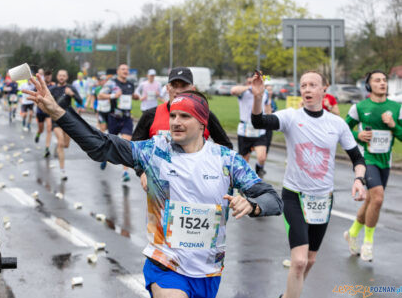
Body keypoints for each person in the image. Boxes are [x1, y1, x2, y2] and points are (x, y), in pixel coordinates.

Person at [24, 74, 283, 298]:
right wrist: (59, 112)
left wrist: (252, 204)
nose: (176, 122)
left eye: (185, 116)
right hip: (165, 263)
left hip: (208, 269)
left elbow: (273, 199)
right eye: (173, 115)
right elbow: (100, 144)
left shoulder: (225, 160)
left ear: (203, 123)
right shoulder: (155, 151)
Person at [250, 70, 367, 298]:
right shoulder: (291, 117)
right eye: (303, 85)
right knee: (300, 260)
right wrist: (257, 97)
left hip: (323, 200)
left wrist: (359, 180)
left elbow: (358, 158)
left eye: (313, 85)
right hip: (295, 196)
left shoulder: (337, 124)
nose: (307, 89)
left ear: (325, 89)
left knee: (310, 259)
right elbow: (258, 121)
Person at [133, 67, 233, 191]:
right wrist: (142, 172)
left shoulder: (205, 116)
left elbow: (226, 146)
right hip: (161, 188)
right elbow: (135, 149)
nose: (178, 91)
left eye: (183, 86)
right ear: (167, 88)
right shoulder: (150, 115)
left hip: (197, 186)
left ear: (193, 89)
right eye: (174, 85)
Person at [344, 70, 402, 262]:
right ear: (369, 85)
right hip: (366, 159)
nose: (382, 83)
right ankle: (368, 243)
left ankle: (352, 233)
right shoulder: (360, 107)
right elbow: (343, 130)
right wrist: (357, 136)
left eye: (384, 80)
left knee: (371, 201)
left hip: (385, 161)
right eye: (377, 80)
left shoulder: (396, 107)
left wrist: (393, 125)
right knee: (377, 199)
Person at [98, 64, 139, 181]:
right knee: (112, 143)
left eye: (127, 69)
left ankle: (124, 172)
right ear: (118, 71)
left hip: (127, 118)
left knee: (126, 143)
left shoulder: (130, 84)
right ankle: (105, 157)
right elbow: (100, 95)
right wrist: (113, 95)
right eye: (123, 69)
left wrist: (135, 97)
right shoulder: (112, 83)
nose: (125, 71)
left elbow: (132, 96)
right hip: (114, 117)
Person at [231, 76, 270, 178]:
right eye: (249, 82)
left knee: (262, 157)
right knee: (244, 161)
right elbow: (233, 90)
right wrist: (249, 87)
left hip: (259, 130)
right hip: (245, 131)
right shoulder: (243, 92)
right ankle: (244, 181)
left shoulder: (265, 93)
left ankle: (259, 172)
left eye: (253, 82)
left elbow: (267, 107)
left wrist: (270, 120)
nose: (252, 84)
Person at [50, 69, 82, 180]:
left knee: (66, 145)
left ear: (67, 77)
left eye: (64, 75)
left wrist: (71, 94)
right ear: (57, 76)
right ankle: (62, 171)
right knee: (61, 142)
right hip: (56, 119)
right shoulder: (52, 89)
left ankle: (58, 147)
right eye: (60, 75)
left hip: (67, 119)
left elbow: (80, 101)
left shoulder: (71, 88)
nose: (62, 77)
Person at [35, 70, 54, 158]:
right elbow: (35, 96)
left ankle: (47, 149)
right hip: (40, 111)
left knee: (49, 128)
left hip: (49, 111)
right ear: (44, 77)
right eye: (46, 75)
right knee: (41, 129)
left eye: (49, 75)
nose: (48, 77)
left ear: (51, 76)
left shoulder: (54, 86)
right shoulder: (40, 85)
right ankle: (38, 133)